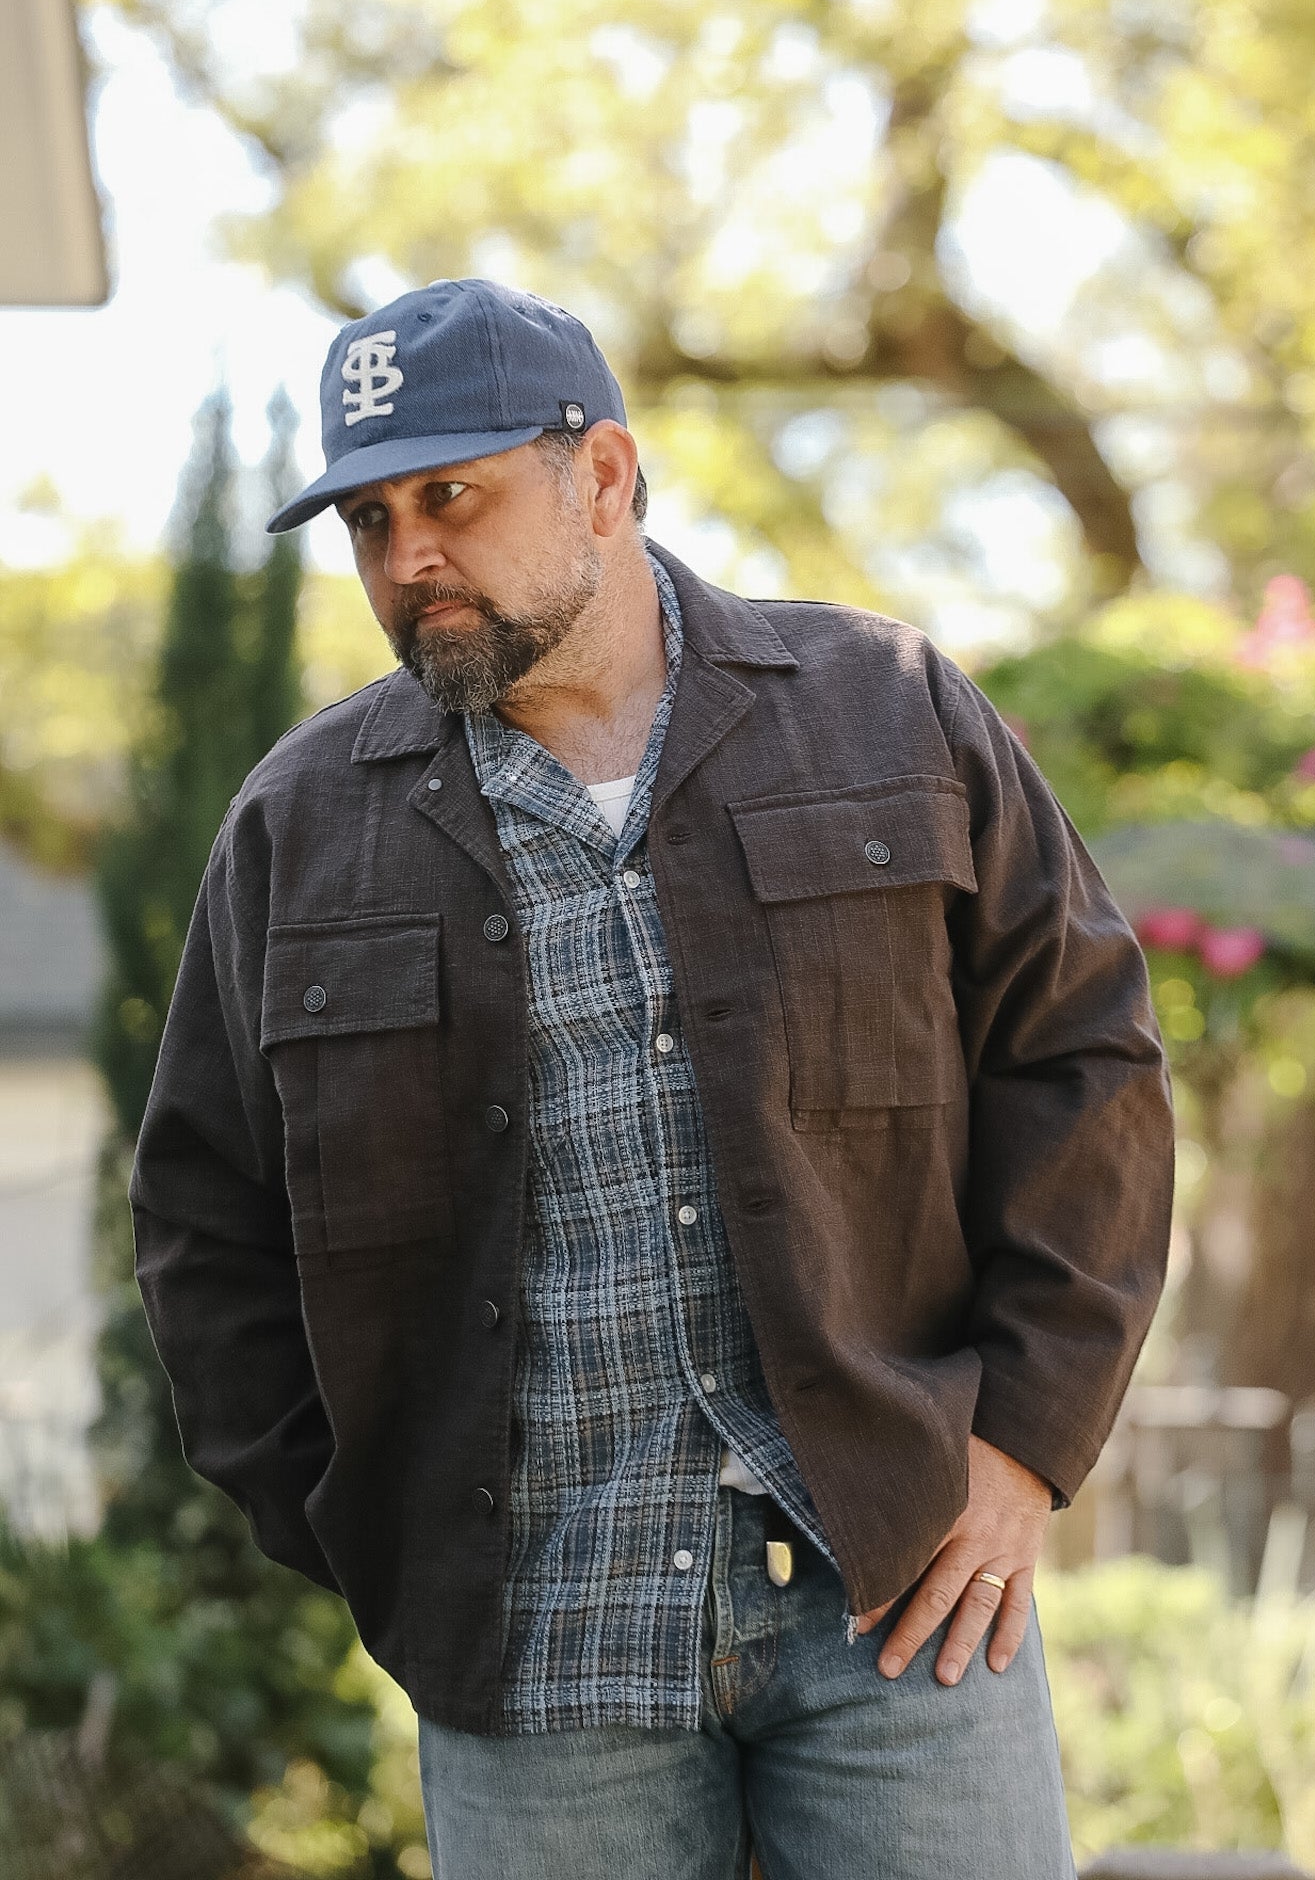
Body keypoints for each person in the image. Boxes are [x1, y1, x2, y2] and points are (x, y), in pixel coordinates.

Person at [131, 277, 1173, 1879]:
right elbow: (204, 1220)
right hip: (533, 1652)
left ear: (604, 477)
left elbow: (1081, 1061)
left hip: (899, 1592)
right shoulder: (299, 825)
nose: (407, 558)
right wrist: (370, 1532)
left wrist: (1025, 1443)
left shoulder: (884, 714)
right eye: (368, 520)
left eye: (452, 498)